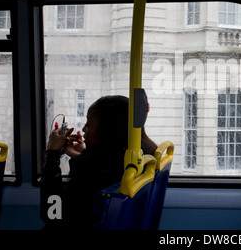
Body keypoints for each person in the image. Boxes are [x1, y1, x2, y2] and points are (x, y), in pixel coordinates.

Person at [40, 95, 157, 229]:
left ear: (109, 132)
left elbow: (53, 214)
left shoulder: (96, 169)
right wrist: (82, 155)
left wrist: (52, 155)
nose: (83, 129)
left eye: (88, 125)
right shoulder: (139, 158)